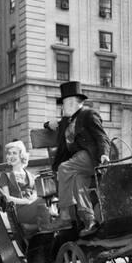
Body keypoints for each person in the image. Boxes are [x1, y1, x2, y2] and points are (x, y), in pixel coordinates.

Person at [43, 81, 111, 236]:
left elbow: (102, 137)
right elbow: (57, 124)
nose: (62, 108)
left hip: (91, 158)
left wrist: (104, 154)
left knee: (64, 168)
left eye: (63, 104)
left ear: (71, 102)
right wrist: (48, 124)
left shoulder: (88, 115)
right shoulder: (67, 120)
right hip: (80, 163)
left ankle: (65, 216)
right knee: (78, 181)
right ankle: (90, 221)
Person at [0, 140, 51, 230]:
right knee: (42, 203)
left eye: (14, 153)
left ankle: (39, 228)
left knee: (48, 200)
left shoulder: (30, 175)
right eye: (9, 154)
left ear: (21, 155)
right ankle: (46, 228)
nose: (11, 156)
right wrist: (26, 201)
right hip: (17, 210)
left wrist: (32, 198)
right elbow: (6, 197)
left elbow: (35, 193)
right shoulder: (5, 175)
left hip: (32, 206)